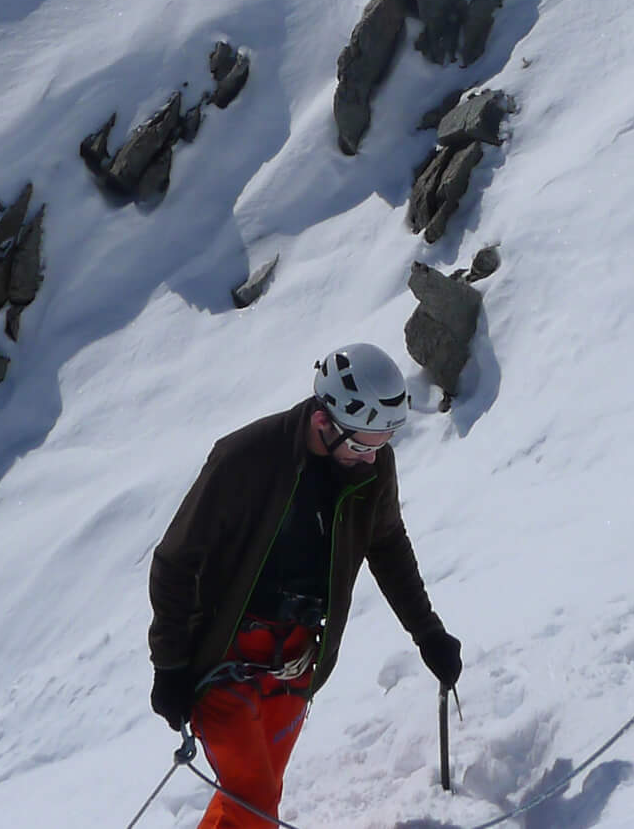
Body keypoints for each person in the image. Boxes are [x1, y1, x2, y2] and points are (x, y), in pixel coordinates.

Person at [150, 343, 463, 828]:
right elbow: (175, 560)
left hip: (297, 663)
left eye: (383, 442)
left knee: (255, 797)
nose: (372, 457)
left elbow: (389, 548)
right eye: (362, 444)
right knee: (254, 801)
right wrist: (170, 664)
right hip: (226, 663)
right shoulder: (245, 459)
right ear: (323, 422)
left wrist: (428, 634)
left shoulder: (373, 466)